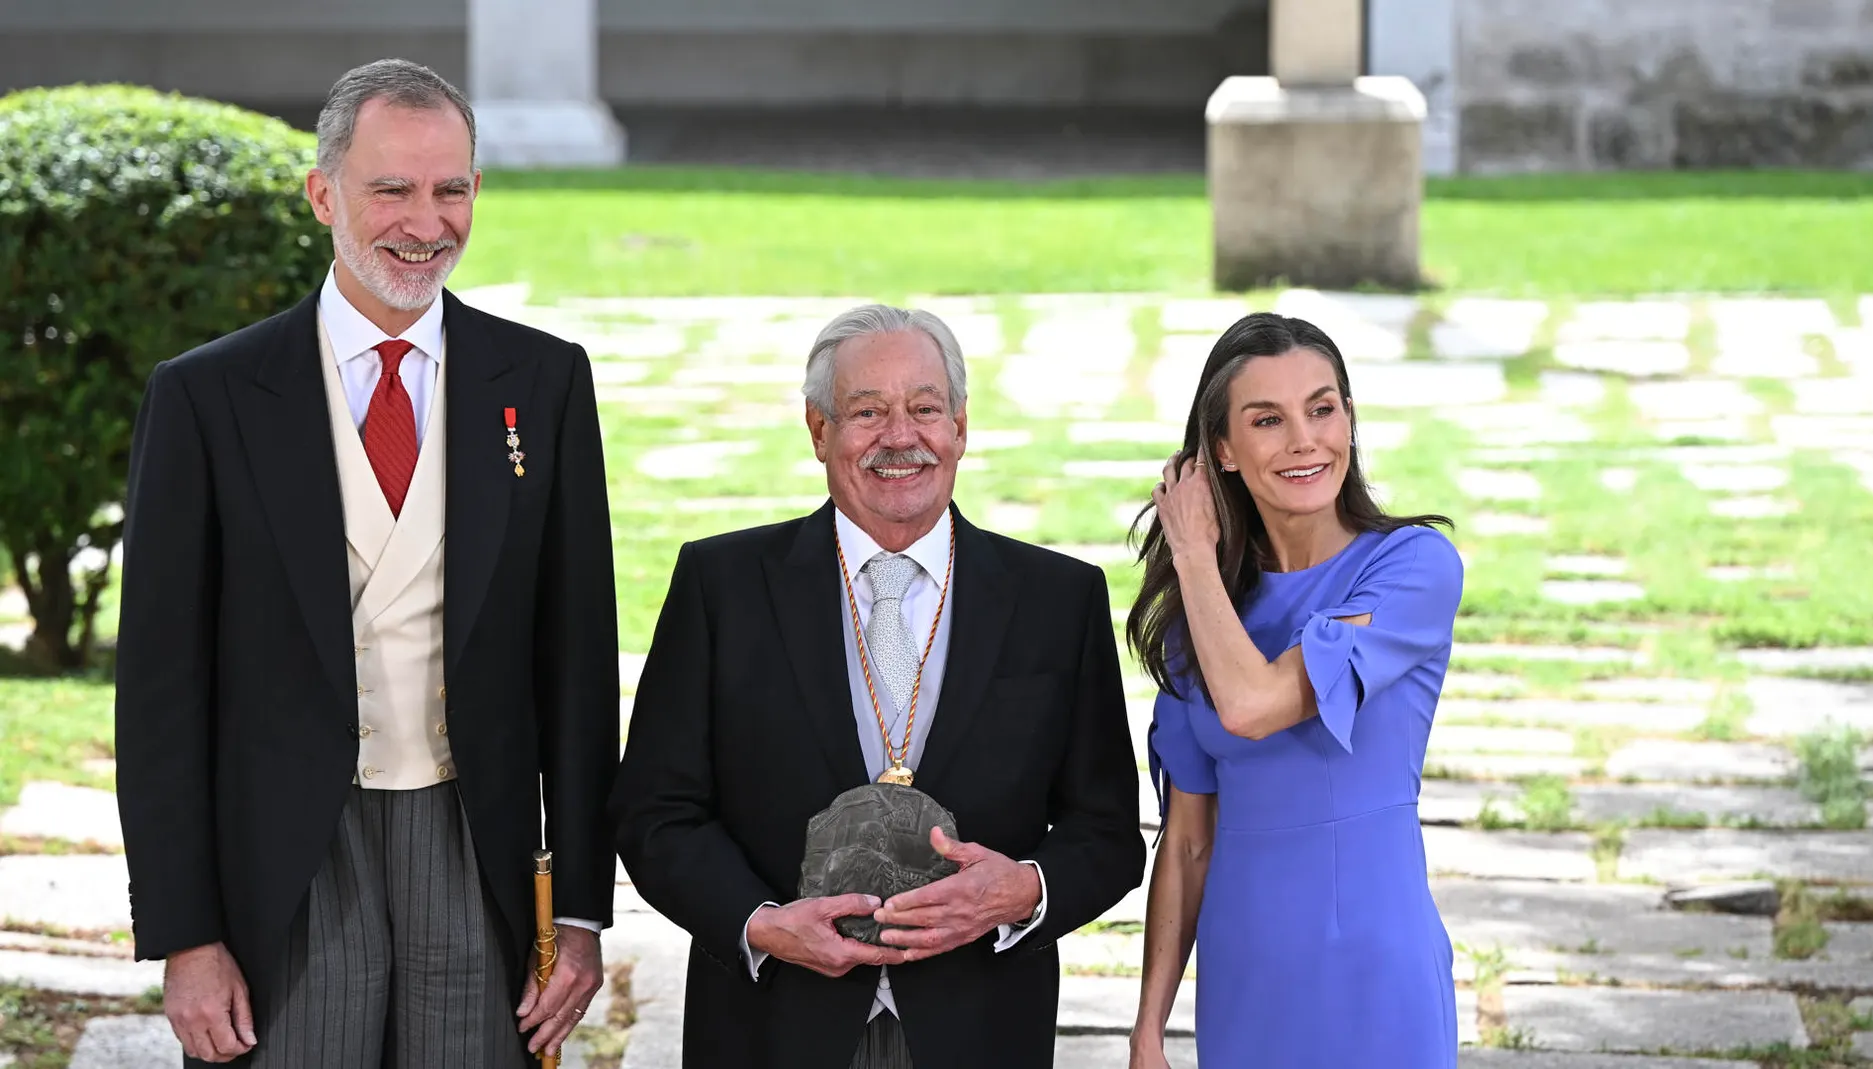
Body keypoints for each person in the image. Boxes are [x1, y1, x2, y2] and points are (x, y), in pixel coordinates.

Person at [114, 58, 620, 1067]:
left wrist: (581, 911)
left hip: (470, 839)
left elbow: (576, 665)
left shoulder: (545, 382)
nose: (424, 222)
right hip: (287, 853)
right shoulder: (208, 399)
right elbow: (160, 693)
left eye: (451, 189)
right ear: (322, 195)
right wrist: (185, 932)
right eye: (391, 188)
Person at [609, 304, 1146, 1069]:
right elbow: (655, 813)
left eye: (925, 409)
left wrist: (1020, 891)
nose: (901, 437)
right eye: (867, 411)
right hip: (771, 1026)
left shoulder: (1058, 599)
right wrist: (761, 923)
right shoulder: (721, 586)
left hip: (981, 1028)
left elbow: (1107, 836)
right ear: (818, 430)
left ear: (960, 426)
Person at [1125, 313, 1462, 1069]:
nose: (1306, 439)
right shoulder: (1202, 620)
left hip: (1377, 974)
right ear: (1223, 451)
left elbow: (1252, 706)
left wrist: (1192, 554)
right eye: (1267, 420)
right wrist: (1149, 1027)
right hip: (1245, 981)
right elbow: (1185, 841)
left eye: (1323, 407)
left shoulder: (1413, 567)